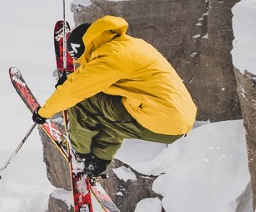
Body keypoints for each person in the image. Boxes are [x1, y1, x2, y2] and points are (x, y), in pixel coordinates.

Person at [31, 16, 197, 178]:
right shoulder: (128, 45)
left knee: (83, 100)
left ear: (82, 48)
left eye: (82, 60)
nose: (83, 63)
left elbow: (74, 91)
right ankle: (98, 161)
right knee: (111, 116)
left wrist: (43, 113)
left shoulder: (110, 57)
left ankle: (79, 154)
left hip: (160, 118)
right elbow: (101, 80)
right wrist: (73, 79)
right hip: (175, 121)